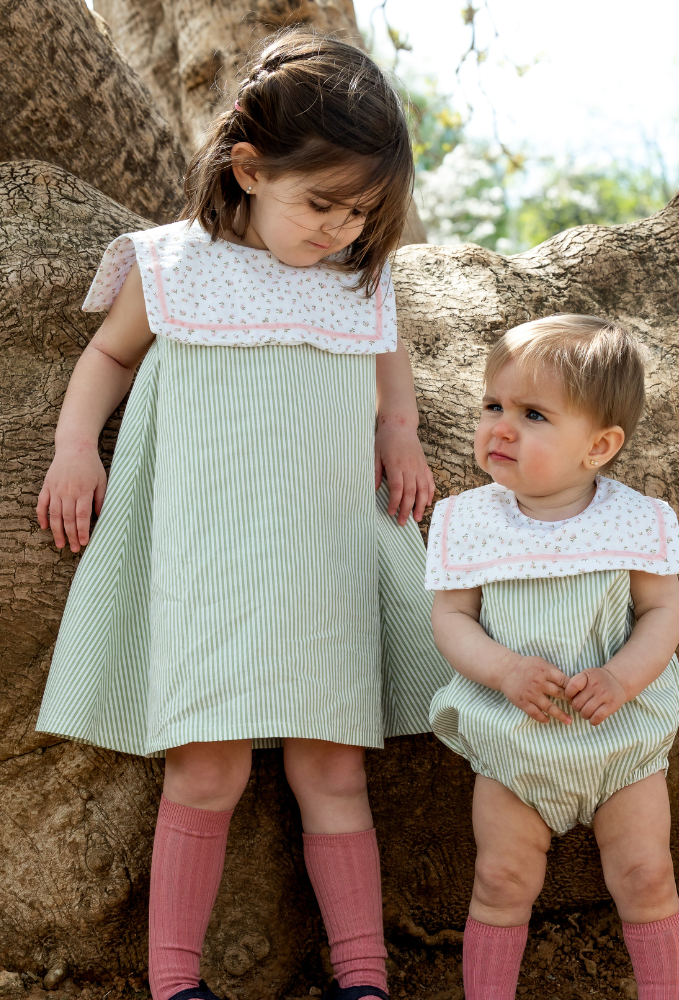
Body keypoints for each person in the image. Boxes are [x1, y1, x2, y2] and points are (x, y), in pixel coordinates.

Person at [36, 27, 450, 1000]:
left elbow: (392, 383)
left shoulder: (362, 282)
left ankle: (363, 976)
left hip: (321, 565)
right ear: (249, 166)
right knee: (207, 771)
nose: (339, 229)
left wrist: (398, 434)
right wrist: (72, 447)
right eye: (320, 203)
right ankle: (174, 981)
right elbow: (107, 358)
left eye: (361, 210)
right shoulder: (174, 263)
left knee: (332, 771)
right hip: (208, 562)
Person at [426, 315, 679, 1000]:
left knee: (646, 876)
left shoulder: (638, 519)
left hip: (618, 737)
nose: (501, 427)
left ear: (599, 446)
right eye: (493, 406)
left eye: (533, 414)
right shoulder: (470, 521)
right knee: (501, 880)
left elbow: (664, 613)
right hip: (515, 738)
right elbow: (451, 621)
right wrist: (504, 670)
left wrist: (623, 677)